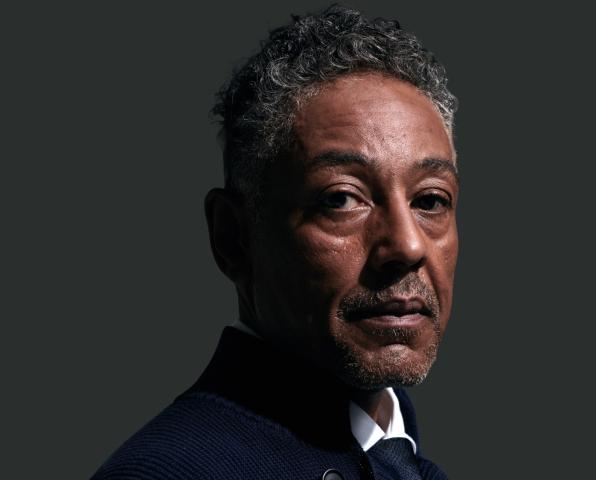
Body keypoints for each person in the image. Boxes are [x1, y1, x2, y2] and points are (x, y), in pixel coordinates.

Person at [92, 5, 459, 479]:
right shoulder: (165, 473)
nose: (408, 246)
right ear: (233, 238)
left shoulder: (404, 462)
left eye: (430, 200)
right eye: (342, 199)